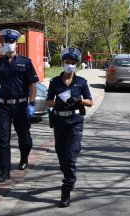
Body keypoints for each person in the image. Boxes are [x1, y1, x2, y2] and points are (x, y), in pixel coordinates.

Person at [0, 29, 39, 183]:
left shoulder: (25, 62)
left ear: (16, 44)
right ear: (2, 44)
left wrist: (32, 103)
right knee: (2, 140)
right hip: (3, 107)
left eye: (11, 41)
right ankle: (4, 170)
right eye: (6, 42)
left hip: (21, 106)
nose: (9, 44)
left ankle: (24, 157)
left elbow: (33, 85)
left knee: (25, 139)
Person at [45, 47, 93, 207]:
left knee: (71, 156)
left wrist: (78, 100)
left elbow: (90, 101)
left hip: (75, 121)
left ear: (77, 64)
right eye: (67, 62)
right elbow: (47, 102)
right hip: (59, 122)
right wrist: (57, 102)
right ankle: (68, 176)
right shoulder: (55, 82)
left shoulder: (81, 82)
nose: (70, 65)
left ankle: (66, 188)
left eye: (73, 63)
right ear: (62, 63)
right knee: (61, 156)